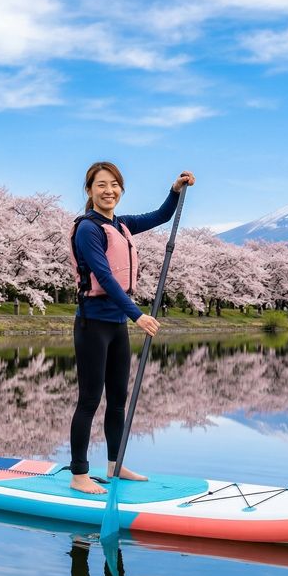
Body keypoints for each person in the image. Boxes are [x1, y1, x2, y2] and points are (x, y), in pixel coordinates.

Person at [67, 161, 195, 494]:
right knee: (90, 400)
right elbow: (105, 278)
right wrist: (137, 315)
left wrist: (174, 191)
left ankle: (114, 464)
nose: (109, 191)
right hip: (92, 325)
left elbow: (161, 217)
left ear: (121, 189)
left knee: (119, 400)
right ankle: (79, 473)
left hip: (116, 327)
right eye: (101, 185)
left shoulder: (122, 226)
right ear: (89, 190)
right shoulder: (88, 229)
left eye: (114, 185)